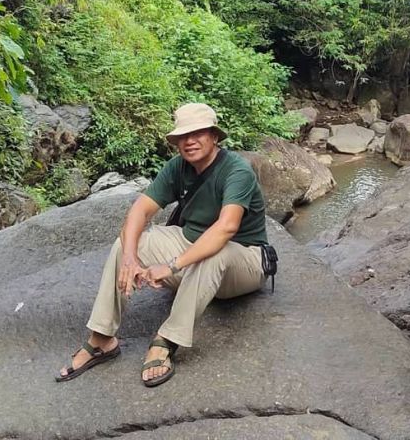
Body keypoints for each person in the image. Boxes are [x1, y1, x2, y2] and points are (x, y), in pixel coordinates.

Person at [55, 102, 269, 387]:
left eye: (198, 133)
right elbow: (139, 211)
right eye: (182, 136)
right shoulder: (178, 167)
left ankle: (167, 340)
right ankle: (102, 338)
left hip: (244, 261)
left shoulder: (236, 171)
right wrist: (131, 258)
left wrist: (171, 266)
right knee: (129, 243)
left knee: (215, 252)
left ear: (215, 136)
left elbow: (226, 228)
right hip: (190, 247)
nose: (189, 141)